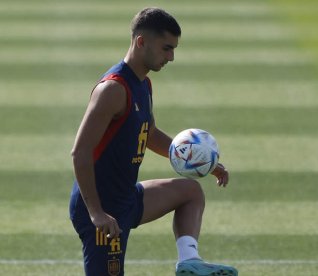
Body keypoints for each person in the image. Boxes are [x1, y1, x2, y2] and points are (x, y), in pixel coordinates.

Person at [69, 7, 238, 276]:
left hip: (127, 198)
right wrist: (96, 213)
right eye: (166, 48)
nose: (171, 57)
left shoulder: (143, 84)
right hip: (103, 211)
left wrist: (201, 161)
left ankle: (189, 262)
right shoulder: (113, 90)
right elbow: (80, 153)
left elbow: (148, 133)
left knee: (190, 192)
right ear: (141, 42)